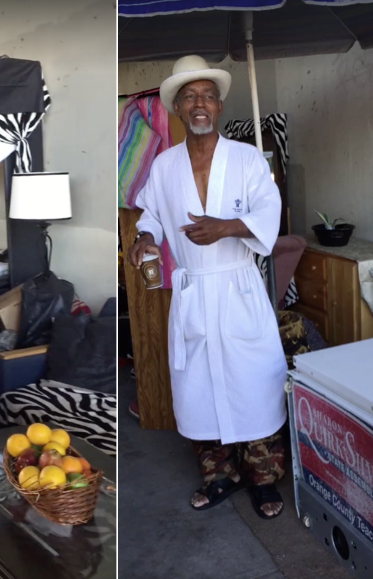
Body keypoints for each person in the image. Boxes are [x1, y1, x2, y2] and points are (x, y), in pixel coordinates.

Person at [127, 55, 288, 519]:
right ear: (178, 107)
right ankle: (221, 477)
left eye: (208, 96)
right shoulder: (164, 166)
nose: (200, 104)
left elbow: (268, 216)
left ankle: (262, 480)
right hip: (194, 293)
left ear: (219, 107)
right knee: (198, 388)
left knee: (254, 383)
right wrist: (144, 238)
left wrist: (227, 227)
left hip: (238, 289)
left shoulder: (248, 159)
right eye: (190, 96)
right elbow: (152, 215)